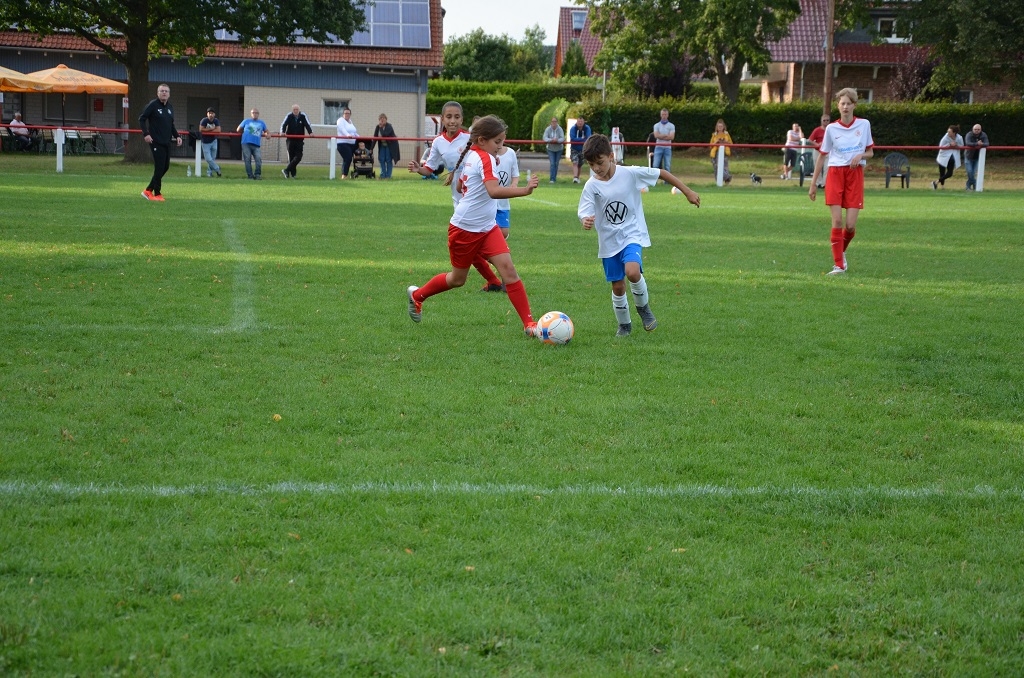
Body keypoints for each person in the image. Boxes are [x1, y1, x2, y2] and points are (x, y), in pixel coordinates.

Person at [406, 115, 542, 337]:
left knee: (509, 271)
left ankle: (529, 324)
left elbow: (461, 186)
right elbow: (493, 191)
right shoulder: (483, 158)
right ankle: (417, 296)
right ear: (481, 141)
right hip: (464, 230)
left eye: (502, 141)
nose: (501, 146)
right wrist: (525, 190)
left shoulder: (473, 155)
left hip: (487, 228)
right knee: (457, 280)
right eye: (497, 142)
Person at [578, 134, 700, 337]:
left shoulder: (629, 174)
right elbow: (585, 210)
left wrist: (687, 192)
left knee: (633, 271)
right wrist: (585, 220)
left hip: (631, 234)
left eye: (600, 163)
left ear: (611, 156)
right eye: (591, 165)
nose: (596, 168)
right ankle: (624, 325)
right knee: (618, 286)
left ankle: (643, 309)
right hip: (609, 241)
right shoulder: (591, 185)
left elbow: (661, 173)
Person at [409, 101, 504, 292]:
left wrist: (495, 160)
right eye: (449, 117)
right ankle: (496, 281)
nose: (453, 121)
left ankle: (501, 278)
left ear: (462, 119)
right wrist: (419, 169)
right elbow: (430, 169)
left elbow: (488, 158)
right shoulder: (438, 142)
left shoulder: (471, 138)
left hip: (477, 198)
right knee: (472, 247)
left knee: (480, 244)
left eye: (457, 117)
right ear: (442, 119)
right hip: (459, 200)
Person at [808, 88, 874, 276]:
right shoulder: (831, 128)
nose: (845, 107)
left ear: (854, 105)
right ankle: (839, 266)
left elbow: (870, 152)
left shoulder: (864, 125)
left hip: (855, 174)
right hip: (835, 174)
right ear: (838, 106)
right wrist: (813, 184)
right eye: (842, 103)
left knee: (850, 226)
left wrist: (861, 155)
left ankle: (840, 252)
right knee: (837, 220)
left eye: (848, 103)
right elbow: (822, 156)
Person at [138, 84, 183, 201]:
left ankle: (148, 190)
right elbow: (142, 119)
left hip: (166, 142)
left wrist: (177, 136)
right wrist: (146, 134)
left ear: (169, 94)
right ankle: (157, 193)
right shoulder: (153, 105)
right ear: (157, 93)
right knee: (159, 167)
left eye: (166, 91)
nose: (164, 93)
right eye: (162, 91)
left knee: (165, 167)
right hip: (156, 141)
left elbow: (171, 125)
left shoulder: (170, 107)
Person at [280, 104, 312, 179]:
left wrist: (310, 132)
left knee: (298, 156)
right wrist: (282, 132)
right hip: (290, 139)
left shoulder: (303, 116)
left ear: (299, 110)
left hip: (299, 140)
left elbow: (307, 125)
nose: (295, 111)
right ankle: (293, 175)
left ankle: (286, 170)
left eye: (297, 109)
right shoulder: (289, 116)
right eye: (294, 109)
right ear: (292, 110)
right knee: (291, 157)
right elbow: (284, 124)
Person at [236, 108, 269, 180]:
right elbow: (238, 129)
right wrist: (244, 133)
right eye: (253, 113)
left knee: (258, 159)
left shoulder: (261, 122)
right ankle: (250, 176)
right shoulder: (246, 121)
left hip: (256, 144)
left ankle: (257, 175)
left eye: (256, 113)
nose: (255, 114)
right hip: (246, 143)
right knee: (247, 159)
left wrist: (267, 134)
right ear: (251, 114)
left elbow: (266, 131)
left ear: (258, 114)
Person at [933, 124, 963, 190]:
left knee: (950, 173)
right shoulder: (945, 137)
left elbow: (962, 146)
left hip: (952, 157)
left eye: (950, 132)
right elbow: (941, 146)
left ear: (954, 133)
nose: (948, 133)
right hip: (943, 156)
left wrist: (956, 145)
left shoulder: (959, 138)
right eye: (948, 131)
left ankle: (936, 182)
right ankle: (942, 186)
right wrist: (949, 145)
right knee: (942, 172)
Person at [371, 113, 400, 180]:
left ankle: (388, 176)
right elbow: (375, 138)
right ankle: (382, 175)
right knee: (381, 159)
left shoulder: (389, 126)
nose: (382, 120)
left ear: (386, 119)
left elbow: (384, 135)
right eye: (381, 118)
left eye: (384, 118)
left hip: (390, 145)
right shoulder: (377, 127)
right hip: (382, 145)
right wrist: (371, 148)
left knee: (388, 159)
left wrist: (381, 127)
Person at [807, 114, 831, 188]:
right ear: (821, 121)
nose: (826, 122)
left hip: (828, 151)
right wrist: (817, 144)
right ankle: (818, 183)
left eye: (827, 120)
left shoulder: (831, 130)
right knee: (817, 167)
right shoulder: (817, 130)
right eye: (824, 120)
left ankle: (825, 183)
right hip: (818, 151)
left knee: (827, 167)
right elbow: (810, 140)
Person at [963, 123, 989, 191]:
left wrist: (982, 144)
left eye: (978, 129)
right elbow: (968, 143)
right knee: (969, 171)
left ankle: (968, 186)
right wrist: (977, 144)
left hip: (978, 157)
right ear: (972, 129)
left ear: (981, 130)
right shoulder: (969, 134)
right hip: (969, 156)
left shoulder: (983, 135)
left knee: (973, 172)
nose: (977, 131)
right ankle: (975, 184)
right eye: (975, 129)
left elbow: (987, 143)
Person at [198, 108, 222, 178]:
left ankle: (209, 173)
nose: (211, 115)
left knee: (212, 158)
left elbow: (218, 130)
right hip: (205, 142)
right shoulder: (204, 120)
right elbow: (201, 129)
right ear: (207, 114)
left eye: (212, 113)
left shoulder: (216, 120)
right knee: (208, 158)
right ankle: (217, 168)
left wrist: (207, 130)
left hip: (214, 141)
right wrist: (212, 129)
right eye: (209, 113)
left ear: (214, 114)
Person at [651, 108, 676, 176]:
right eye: (662, 114)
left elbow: (671, 137)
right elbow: (656, 135)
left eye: (665, 114)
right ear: (660, 115)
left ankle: (667, 181)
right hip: (658, 147)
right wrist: (666, 135)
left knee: (667, 166)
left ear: (668, 115)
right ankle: (654, 180)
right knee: (655, 165)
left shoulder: (671, 125)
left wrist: (661, 135)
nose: (664, 116)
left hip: (667, 148)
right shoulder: (656, 125)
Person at [335, 108, 358, 178]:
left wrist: (360, 137)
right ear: (343, 114)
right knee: (348, 158)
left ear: (350, 114)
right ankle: (344, 175)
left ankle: (358, 172)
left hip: (352, 143)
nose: (347, 114)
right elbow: (342, 129)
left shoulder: (350, 121)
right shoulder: (340, 120)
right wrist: (347, 135)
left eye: (348, 113)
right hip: (343, 143)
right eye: (345, 113)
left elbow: (354, 132)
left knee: (360, 155)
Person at [708, 118, 733, 184]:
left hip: (724, 152)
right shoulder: (714, 134)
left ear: (723, 127)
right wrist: (716, 142)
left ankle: (727, 179)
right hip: (715, 153)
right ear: (717, 127)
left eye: (721, 126)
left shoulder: (726, 134)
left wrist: (725, 142)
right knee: (716, 167)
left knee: (725, 167)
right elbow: (710, 145)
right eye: (719, 126)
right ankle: (721, 180)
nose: (720, 128)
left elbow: (731, 144)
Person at [568, 116, 591, 184]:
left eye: (581, 121)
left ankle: (577, 177)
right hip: (574, 148)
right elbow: (572, 139)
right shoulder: (573, 128)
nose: (580, 123)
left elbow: (588, 138)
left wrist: (579, 139)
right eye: (578, 121)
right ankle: (575, 177)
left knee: (580, 164)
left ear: (584, 122)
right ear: (577, 122)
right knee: (575, 162)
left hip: (583, 149)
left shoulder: (587, 128)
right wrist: (582, 139)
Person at [542, 117, 565, 183]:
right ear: (551, 122)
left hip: (559, 149)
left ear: (557, 122)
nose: (554, 123)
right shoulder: (548, 129)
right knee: (552, 163)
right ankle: (552, 179)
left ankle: (554, 178)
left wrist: (557, 140)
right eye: (552, 121)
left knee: (556, 163)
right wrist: (551, 140)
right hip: (550, 149)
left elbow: (562, 138)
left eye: (555, 121)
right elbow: (544, 138)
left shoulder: (560, 129)